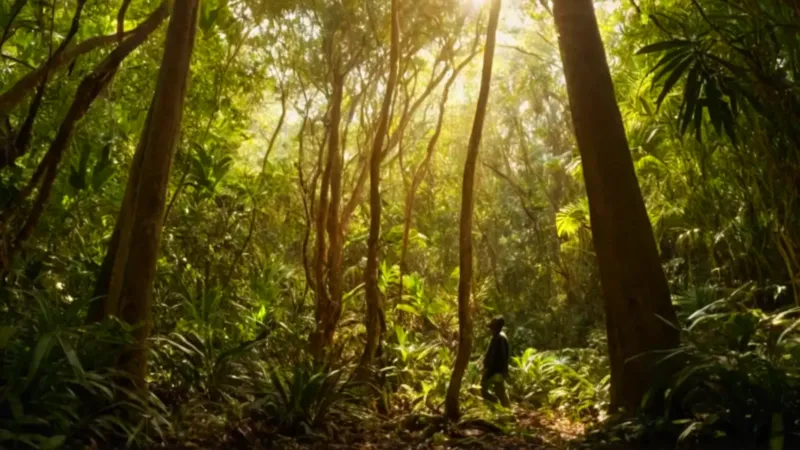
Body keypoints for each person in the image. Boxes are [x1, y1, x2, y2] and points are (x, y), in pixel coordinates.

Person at [481, 315, 510, 407]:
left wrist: (489, 372)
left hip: (496, 372)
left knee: (487, 390)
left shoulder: (500, 338)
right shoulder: (497, 337)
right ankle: (505, 410)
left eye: (492, 327)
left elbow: (498, 358)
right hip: (495, 371)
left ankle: (502, 408)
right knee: (500, 392)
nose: (491, 329)